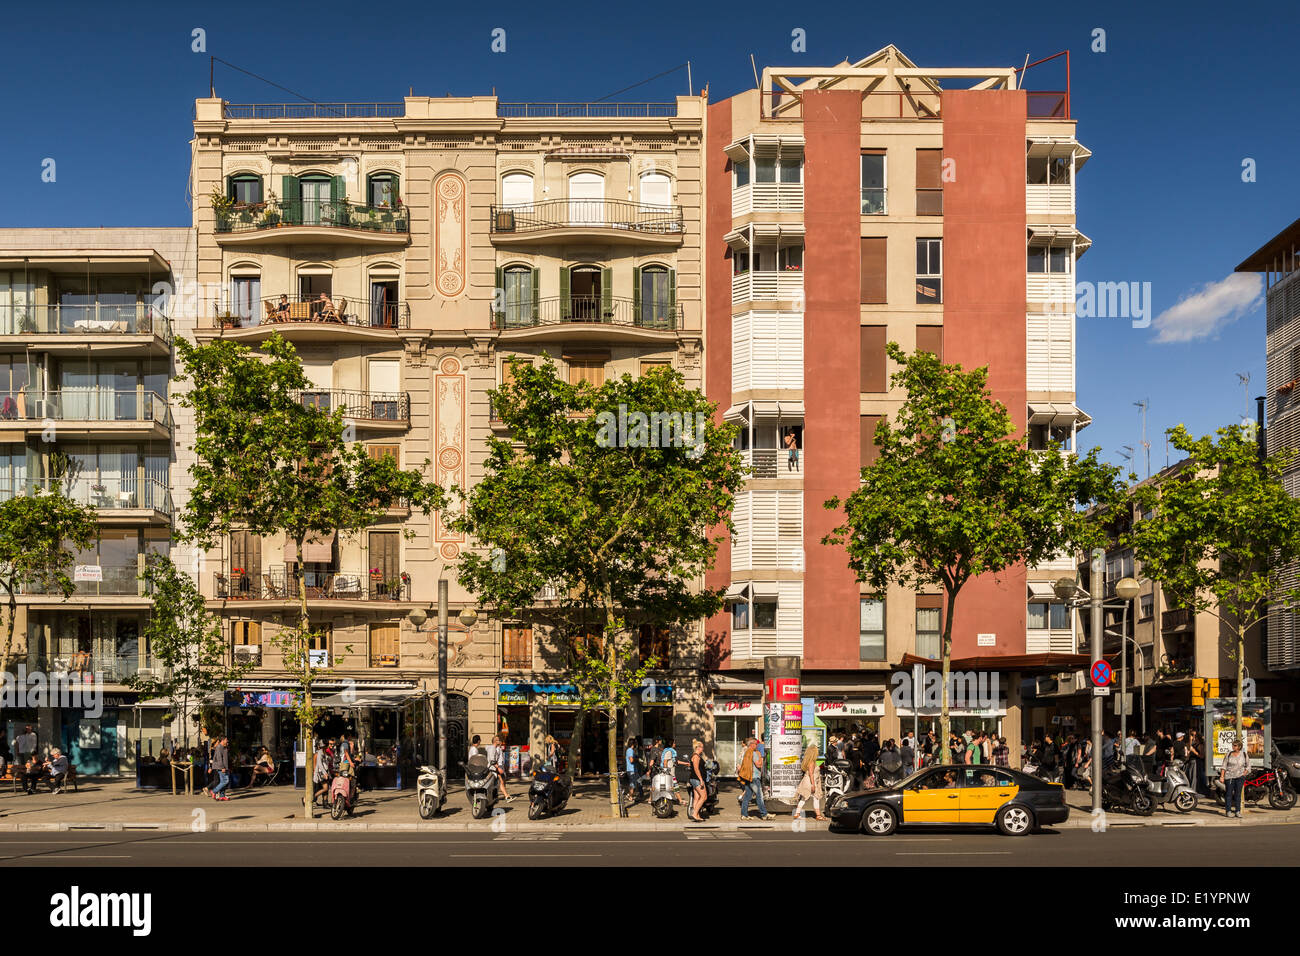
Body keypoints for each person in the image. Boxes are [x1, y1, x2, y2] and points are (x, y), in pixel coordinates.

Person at [737, 736, 774, 821]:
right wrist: (761, 758)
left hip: (748, 777)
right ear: (752, 744)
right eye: (756, 744)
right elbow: (758, 764)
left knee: (747, 796)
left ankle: (744, 815)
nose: (757, 745)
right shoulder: (753, 753)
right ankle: (764, 814)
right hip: (754, 777)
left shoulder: (747, 752)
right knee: (759, 795)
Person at [793, 743, 825, 822]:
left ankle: (797, 814)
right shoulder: (812, 762)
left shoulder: (809, 761)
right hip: (810, 782)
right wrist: (813, 785)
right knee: (816, 798)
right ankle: (818, 815)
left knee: (804, 798)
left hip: (807, 781)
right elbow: (811, 774)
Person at [1220, 737, 1250, 818]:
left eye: (1235, 745)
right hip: (1229, 776)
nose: (1233, 747)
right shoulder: (1229, 754)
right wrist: (1222, 776)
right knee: (1229, 794)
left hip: (1240, 777)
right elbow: (1224, 766)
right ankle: (1228, 811)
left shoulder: (1244, 754)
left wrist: (1244, 773)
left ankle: (1238, 811)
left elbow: (1248, 766)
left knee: (1238, 794)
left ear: (1239, 746)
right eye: (1233, 745)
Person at [687, 739, 708, 822]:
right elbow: (696, 769)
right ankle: (695, 813)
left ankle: (696, 815)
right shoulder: (696, 756)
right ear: (698, 747)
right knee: (704, 797)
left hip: (694, 779)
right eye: (702, 747)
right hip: (696, 779)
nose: (703, 749)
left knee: (697, 797)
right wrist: (701, 779)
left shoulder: (695, 756)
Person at [491, 735, 512, 801]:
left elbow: (501, 758)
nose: (500, 741)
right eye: (498, 740)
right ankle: (506, 796)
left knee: (503, 781)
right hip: (497, 767)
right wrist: (498, 767)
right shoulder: (495, 749)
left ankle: (501, 794)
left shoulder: (498, 748)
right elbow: (494, 759)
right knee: (501, 781)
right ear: (495, 741)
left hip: (501, 766)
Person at [210, 735, 231, 801]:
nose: (227, 741)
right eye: (226, 740)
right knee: (225, 781)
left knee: (223, 781)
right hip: (220, 767)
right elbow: (219, 758)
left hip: (225, 766)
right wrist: (222, 767)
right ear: (223, 740)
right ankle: (214, 791)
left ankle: (222, 795)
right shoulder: (219, 747)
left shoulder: (224, 747)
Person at [623, 736, 643, 803]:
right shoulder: (630, 750)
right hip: (631, 770)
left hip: (634, 770)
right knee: (633, 785)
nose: (636, 744)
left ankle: (631, 796)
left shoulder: (631, 750)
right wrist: (637, 759)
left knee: (638, 782)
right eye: (635, 743)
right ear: (633, 744)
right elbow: (631, 760)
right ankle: (629, 795)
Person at [313, 739, 332, 807]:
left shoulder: (324, 752)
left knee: (326, 788)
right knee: (325, 788)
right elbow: (319, 764)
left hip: (324, 773)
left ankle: (325, 802)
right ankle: (309, 799)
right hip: (321, 773)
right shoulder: (319, 753)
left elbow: (326, 763)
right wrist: (324, 773)